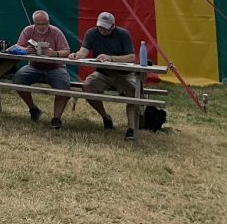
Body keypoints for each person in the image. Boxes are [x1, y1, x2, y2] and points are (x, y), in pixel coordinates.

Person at [68, 11, 138, 139]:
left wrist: (111, 58)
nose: (102, 30)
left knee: (134, 93)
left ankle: (131, 128)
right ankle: (105, 117)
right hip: (103, 73)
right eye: (100, 27)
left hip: (124, 74)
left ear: (113, 26)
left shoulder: (123, 34)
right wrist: (76, 55)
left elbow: (131, 57)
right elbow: (83, 51)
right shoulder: (91, 33)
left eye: (105, 28)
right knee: (87, 87)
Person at [11, 10, 72, 129]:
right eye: (38, 24)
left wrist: (54, 53)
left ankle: (56, 118)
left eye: (44, 24)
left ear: (48, 22)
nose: (41, 27)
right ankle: (33, 108)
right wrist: (25, 50)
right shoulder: (28, 30)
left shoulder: (56, 32)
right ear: (34, 23)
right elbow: (17, 45)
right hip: (34, 66)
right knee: (18, 79)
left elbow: (67, 51)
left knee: (64, 87)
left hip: (56, 67)